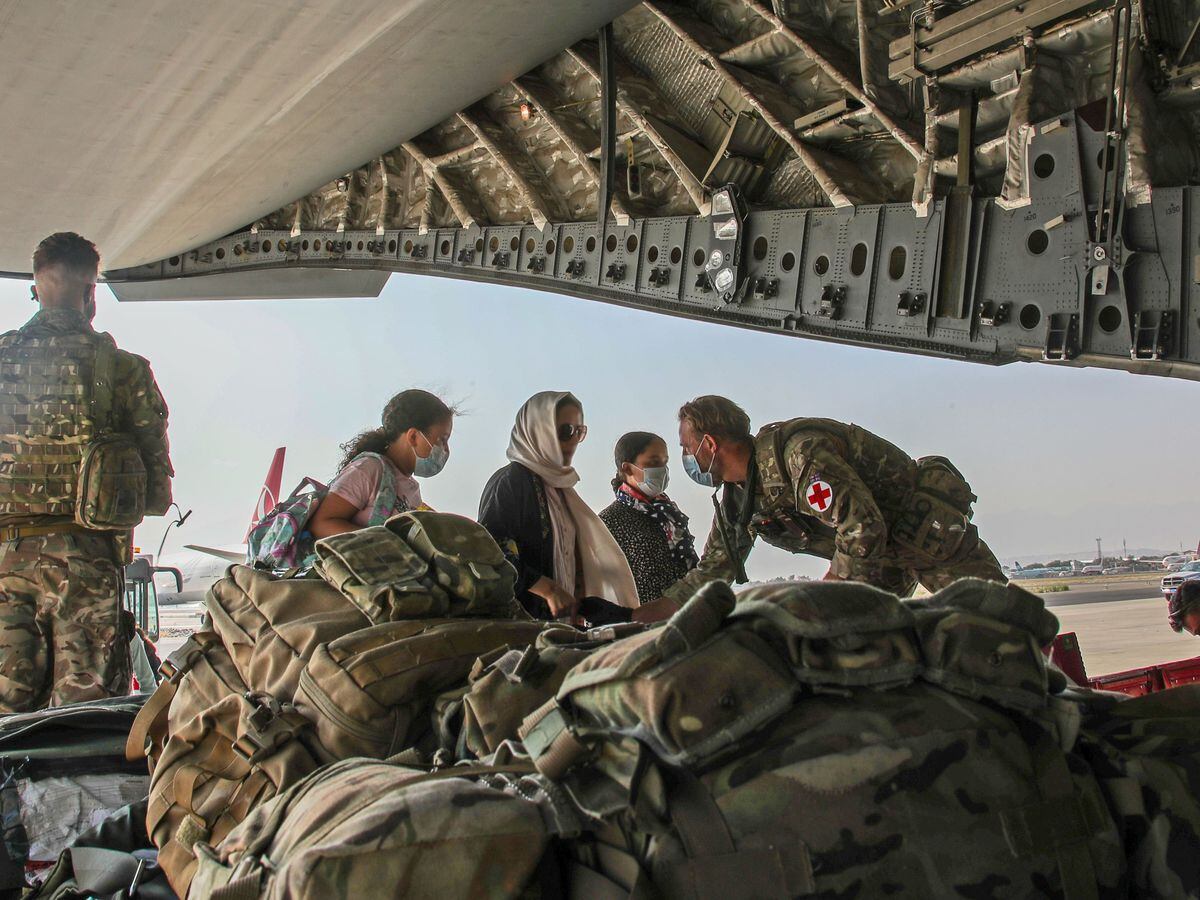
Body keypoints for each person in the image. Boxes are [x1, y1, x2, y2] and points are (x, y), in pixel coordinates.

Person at [635, 395, 1005, 622]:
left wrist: (823, 594)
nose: (685, 458)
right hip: (874, 562)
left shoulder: (798, 456)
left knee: (1004, 626)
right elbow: (713, 572)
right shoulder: (738, 502)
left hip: (930, 537)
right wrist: (639, 616)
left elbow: (862, 526)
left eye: (686, 447)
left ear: (710, 444)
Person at [0, 233, 172, 712]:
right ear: (91, 294)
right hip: (88, 568)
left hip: (5, 569)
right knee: (84, 724)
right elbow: (155, 494)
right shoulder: (124, 370)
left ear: (35, 289)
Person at [478, 391, 637, 621]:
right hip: (519, 629)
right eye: (565, 431)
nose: (572, 441)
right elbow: (490, 554)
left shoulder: (560, 490)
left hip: (560, 629)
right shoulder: (512, 481)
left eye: (578, 432)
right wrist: (548, 589)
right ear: (538, 430)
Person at [309, 389, 453, 538]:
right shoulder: (368, 469)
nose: (446, 450)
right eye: (442, 440)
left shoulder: (413, 491)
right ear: (414, 436)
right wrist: (384, 543)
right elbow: (321, 525)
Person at [599, 431, 699, 605]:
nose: (662, 469)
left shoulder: (669, 513)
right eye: (653, 462)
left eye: (664, 462)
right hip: (644, 622)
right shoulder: (608, 522)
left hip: (687, 613)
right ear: (627, 467)